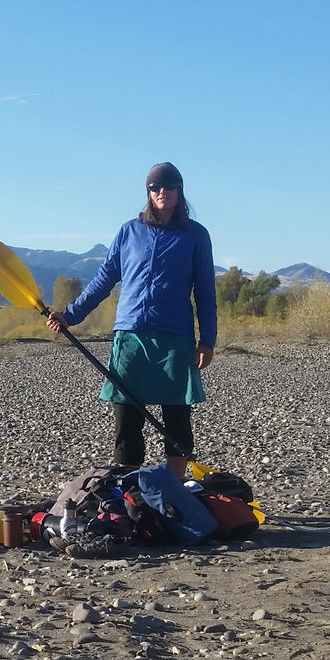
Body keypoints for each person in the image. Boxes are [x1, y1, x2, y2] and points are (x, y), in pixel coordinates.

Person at [46, 162, 216, 478]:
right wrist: (71, 315)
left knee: (177, 415)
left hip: (174, 338)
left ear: (180, 190)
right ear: (148, 193)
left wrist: (207, 340)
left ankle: (176, 490)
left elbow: (206, 291)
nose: (162, 191)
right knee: (127, 416)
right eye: (155, 187)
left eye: (169, 185)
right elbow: (103, 279)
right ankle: (129, 490)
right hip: (131, 335)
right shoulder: (129, 231)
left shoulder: (196, 235)